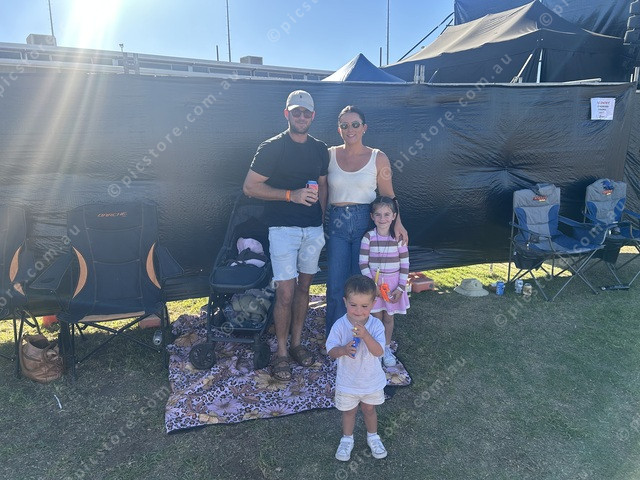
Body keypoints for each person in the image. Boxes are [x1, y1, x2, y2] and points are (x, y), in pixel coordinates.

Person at [243, 90, 329, 381]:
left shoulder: (320, 149)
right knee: (285, 293)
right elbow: (250, 187)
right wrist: (291, 195)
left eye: (306, 113)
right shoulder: (271, 147)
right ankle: (281, 352)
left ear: (313, 116)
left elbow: (323, 185)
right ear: (287, 114)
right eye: (296, 112)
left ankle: (296, 345)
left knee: (305, 289)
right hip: (282, 230)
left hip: (313, 230)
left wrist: (322, 219)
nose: (301, 117)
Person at [325, 105, 408, 336]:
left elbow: (389, 196)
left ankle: (361, 337)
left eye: (355, 124)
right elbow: (322, 189)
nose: (350, 129)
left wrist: (398, 222)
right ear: (339, 129)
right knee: (335, 285)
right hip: (337, 222)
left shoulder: (378, 157)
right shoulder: (329, 155)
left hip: (366, 223)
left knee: (361, 286)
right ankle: (335, 338)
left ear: (364, 128)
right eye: (344, 125)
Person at [326, 274, 388, 461]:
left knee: (369, 409)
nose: (358, 311)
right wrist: (343, 350)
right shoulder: (340, 325)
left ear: (373, 304)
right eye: (353, 305)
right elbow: (331, 351)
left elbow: (379, 352)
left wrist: (366, 335)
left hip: (370, 381)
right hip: (348, 381)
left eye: (364, 306)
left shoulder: (376, 325)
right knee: (349, 411)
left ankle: (373, 437)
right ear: (345, 302)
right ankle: (347, 439)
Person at [359, 196, 410, 367]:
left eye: (387, 214)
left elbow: (405, 264)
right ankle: (376, 348)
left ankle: (386, 348)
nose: (382, 219)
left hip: (393, 286)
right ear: (372, 216)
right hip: (374, 285)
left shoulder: (399, 238)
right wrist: (373, 285)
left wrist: (400, 288)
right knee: (376, 317)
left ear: (394, 216)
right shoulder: (368, 237)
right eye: (378, 215)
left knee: (388, 317)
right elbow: (363, 263)